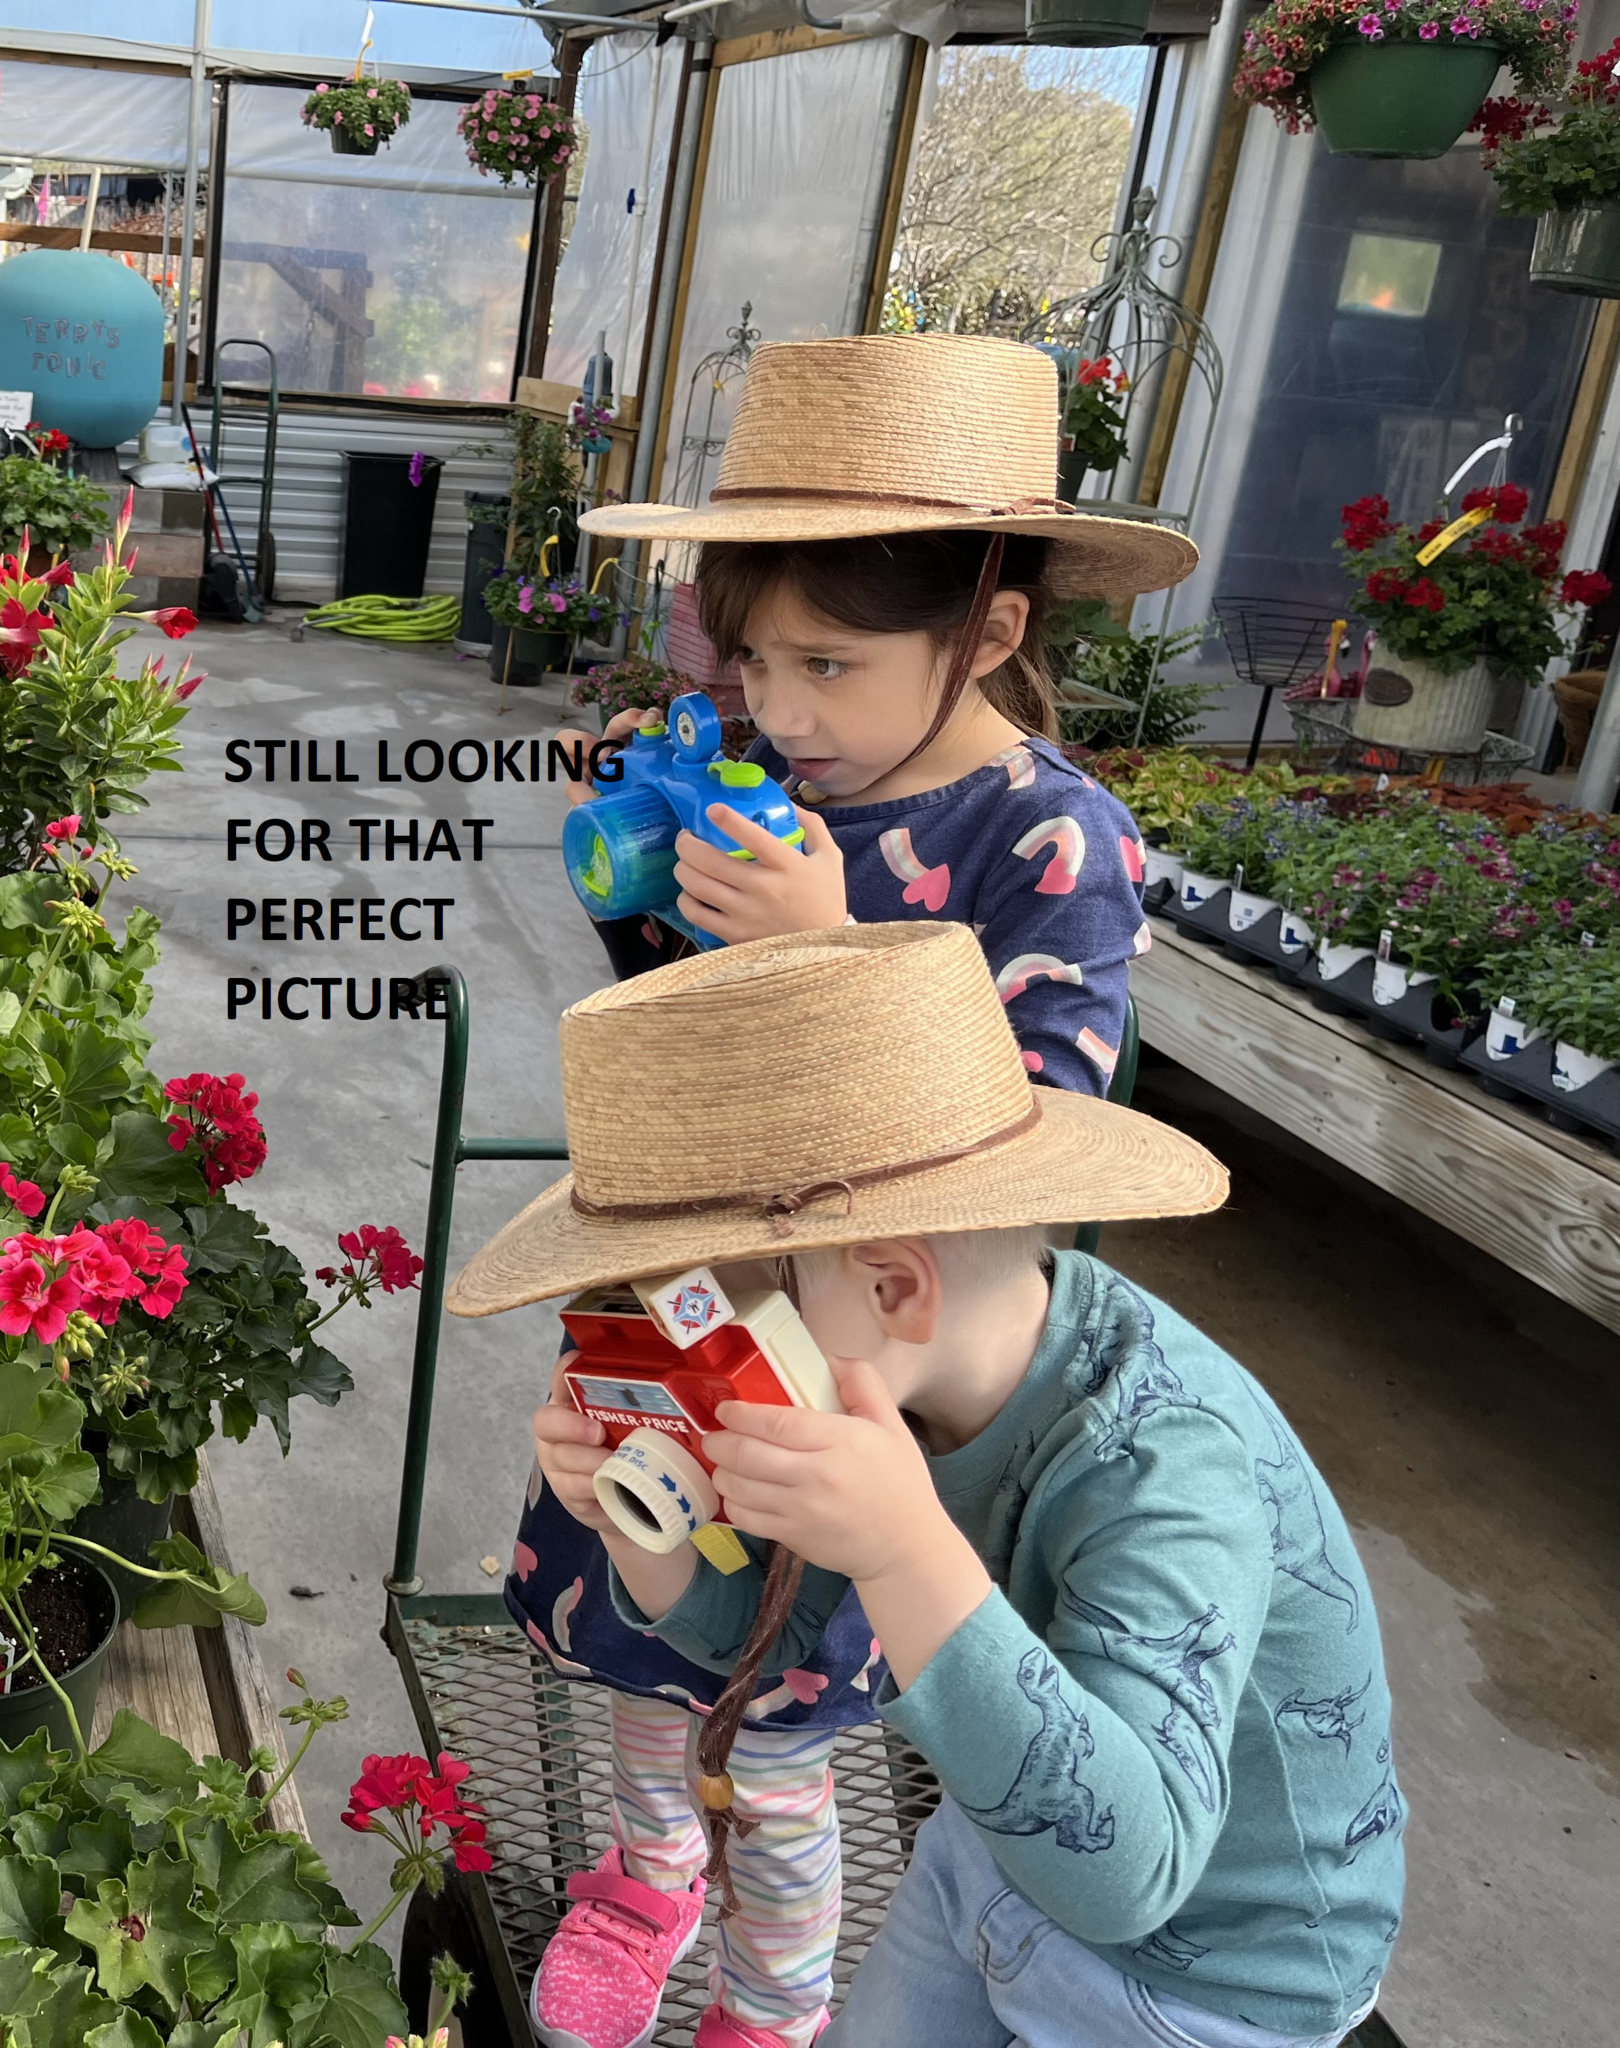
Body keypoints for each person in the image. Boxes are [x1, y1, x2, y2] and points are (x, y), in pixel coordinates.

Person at [506, 334, 1200, 2048]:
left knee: (788, 1717)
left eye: (828, 658)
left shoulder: (1048, 845)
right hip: (679, 1273)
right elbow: (666, 1018)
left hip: (859, 1344)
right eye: (750, 656)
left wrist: (836, 950)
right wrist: (648, 882)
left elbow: (1034, 1127)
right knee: (644, 1604)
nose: (784, 708)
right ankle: (648, 1870)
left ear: (990, 631)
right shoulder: (769, 778)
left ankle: (769, 2002)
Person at [452, 925, 1405, 2048]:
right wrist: (646, 1536)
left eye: (706, 1312)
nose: (670, 1344)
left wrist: (903, 1548)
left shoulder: (1159, 1461)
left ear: (893, 1285)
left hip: (1214, 1973)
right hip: (995, 1834)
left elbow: (1131, 1869)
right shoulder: (884, 1371)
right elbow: (764, 1635)